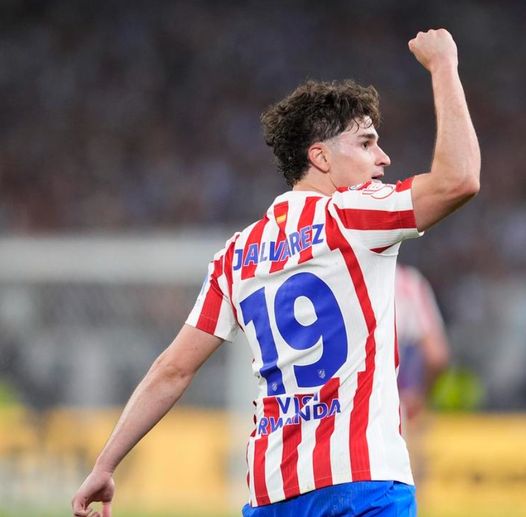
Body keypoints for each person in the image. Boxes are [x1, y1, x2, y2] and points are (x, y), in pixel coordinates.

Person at [72, 28, 480, 517]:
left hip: (273, 493)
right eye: (367, 143)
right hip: (364, 484)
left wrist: (106, 463)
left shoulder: (236, 253)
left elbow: (172, 369)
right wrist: (444, 66)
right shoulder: (353, 215)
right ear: (320, 157)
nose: (383, 157)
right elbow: (459, 180)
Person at [395, 263, 450, 425]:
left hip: (343, 409)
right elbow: (436, 356)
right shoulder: (407, 282)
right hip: (398, 408)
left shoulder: (342, 277)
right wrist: (421, 397)